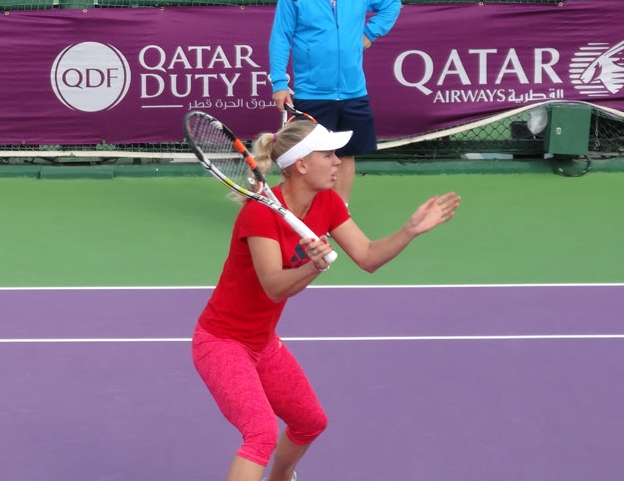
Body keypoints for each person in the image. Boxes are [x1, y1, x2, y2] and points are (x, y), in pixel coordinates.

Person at [192, 120, 460, 481]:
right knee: (260, 434)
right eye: (329, 155)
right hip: (222, 343)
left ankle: (280, 478)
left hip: (262, 343)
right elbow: (273, 286)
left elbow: (366, 256)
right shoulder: (259, 212)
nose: (338, 162)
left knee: (309, 422)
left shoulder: (327, 203)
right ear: (301, 164)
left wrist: (409, 230)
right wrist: (314, 267)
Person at [268, 0, 402, 205]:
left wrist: (369, 33)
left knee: (344, 154)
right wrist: (280, 83)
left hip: (353, 91)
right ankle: (301, 213)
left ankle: (339, 215)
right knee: (306, 157)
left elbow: (392, 3)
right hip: (312, 92)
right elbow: (280, 38)